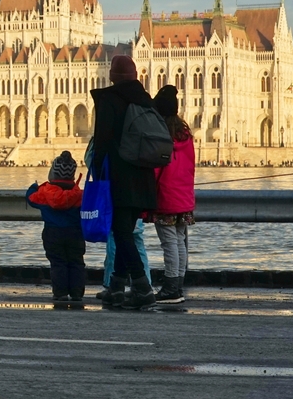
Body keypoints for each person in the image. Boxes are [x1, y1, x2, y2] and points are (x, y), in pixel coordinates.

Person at [91, 54, 158, 309]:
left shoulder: (109, 100)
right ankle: (117, 287)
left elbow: (102, 143)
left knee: (121, 233)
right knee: (125, 232)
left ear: (112, 76)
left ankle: (142, 287)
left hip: (119, 180)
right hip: (143, 178)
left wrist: (98, 178)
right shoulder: (145, 100)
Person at [150, 85, 196, 304]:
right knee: (179, 240)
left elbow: (156, 170)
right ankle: (178, 284)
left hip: (166, 198)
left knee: (169, 243)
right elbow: (190, 167)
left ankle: (171, 288)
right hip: (184, 197)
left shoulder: (161, 136)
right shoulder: (185, 135)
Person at [27, 151, 86, 307]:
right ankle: (77, 294)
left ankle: (60, 294)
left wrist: (34, 186)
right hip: (75, 232)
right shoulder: (80, 195)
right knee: (77, 262)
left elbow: (31, 199)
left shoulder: (44, 194)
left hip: (53, 232)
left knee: (57, 263)